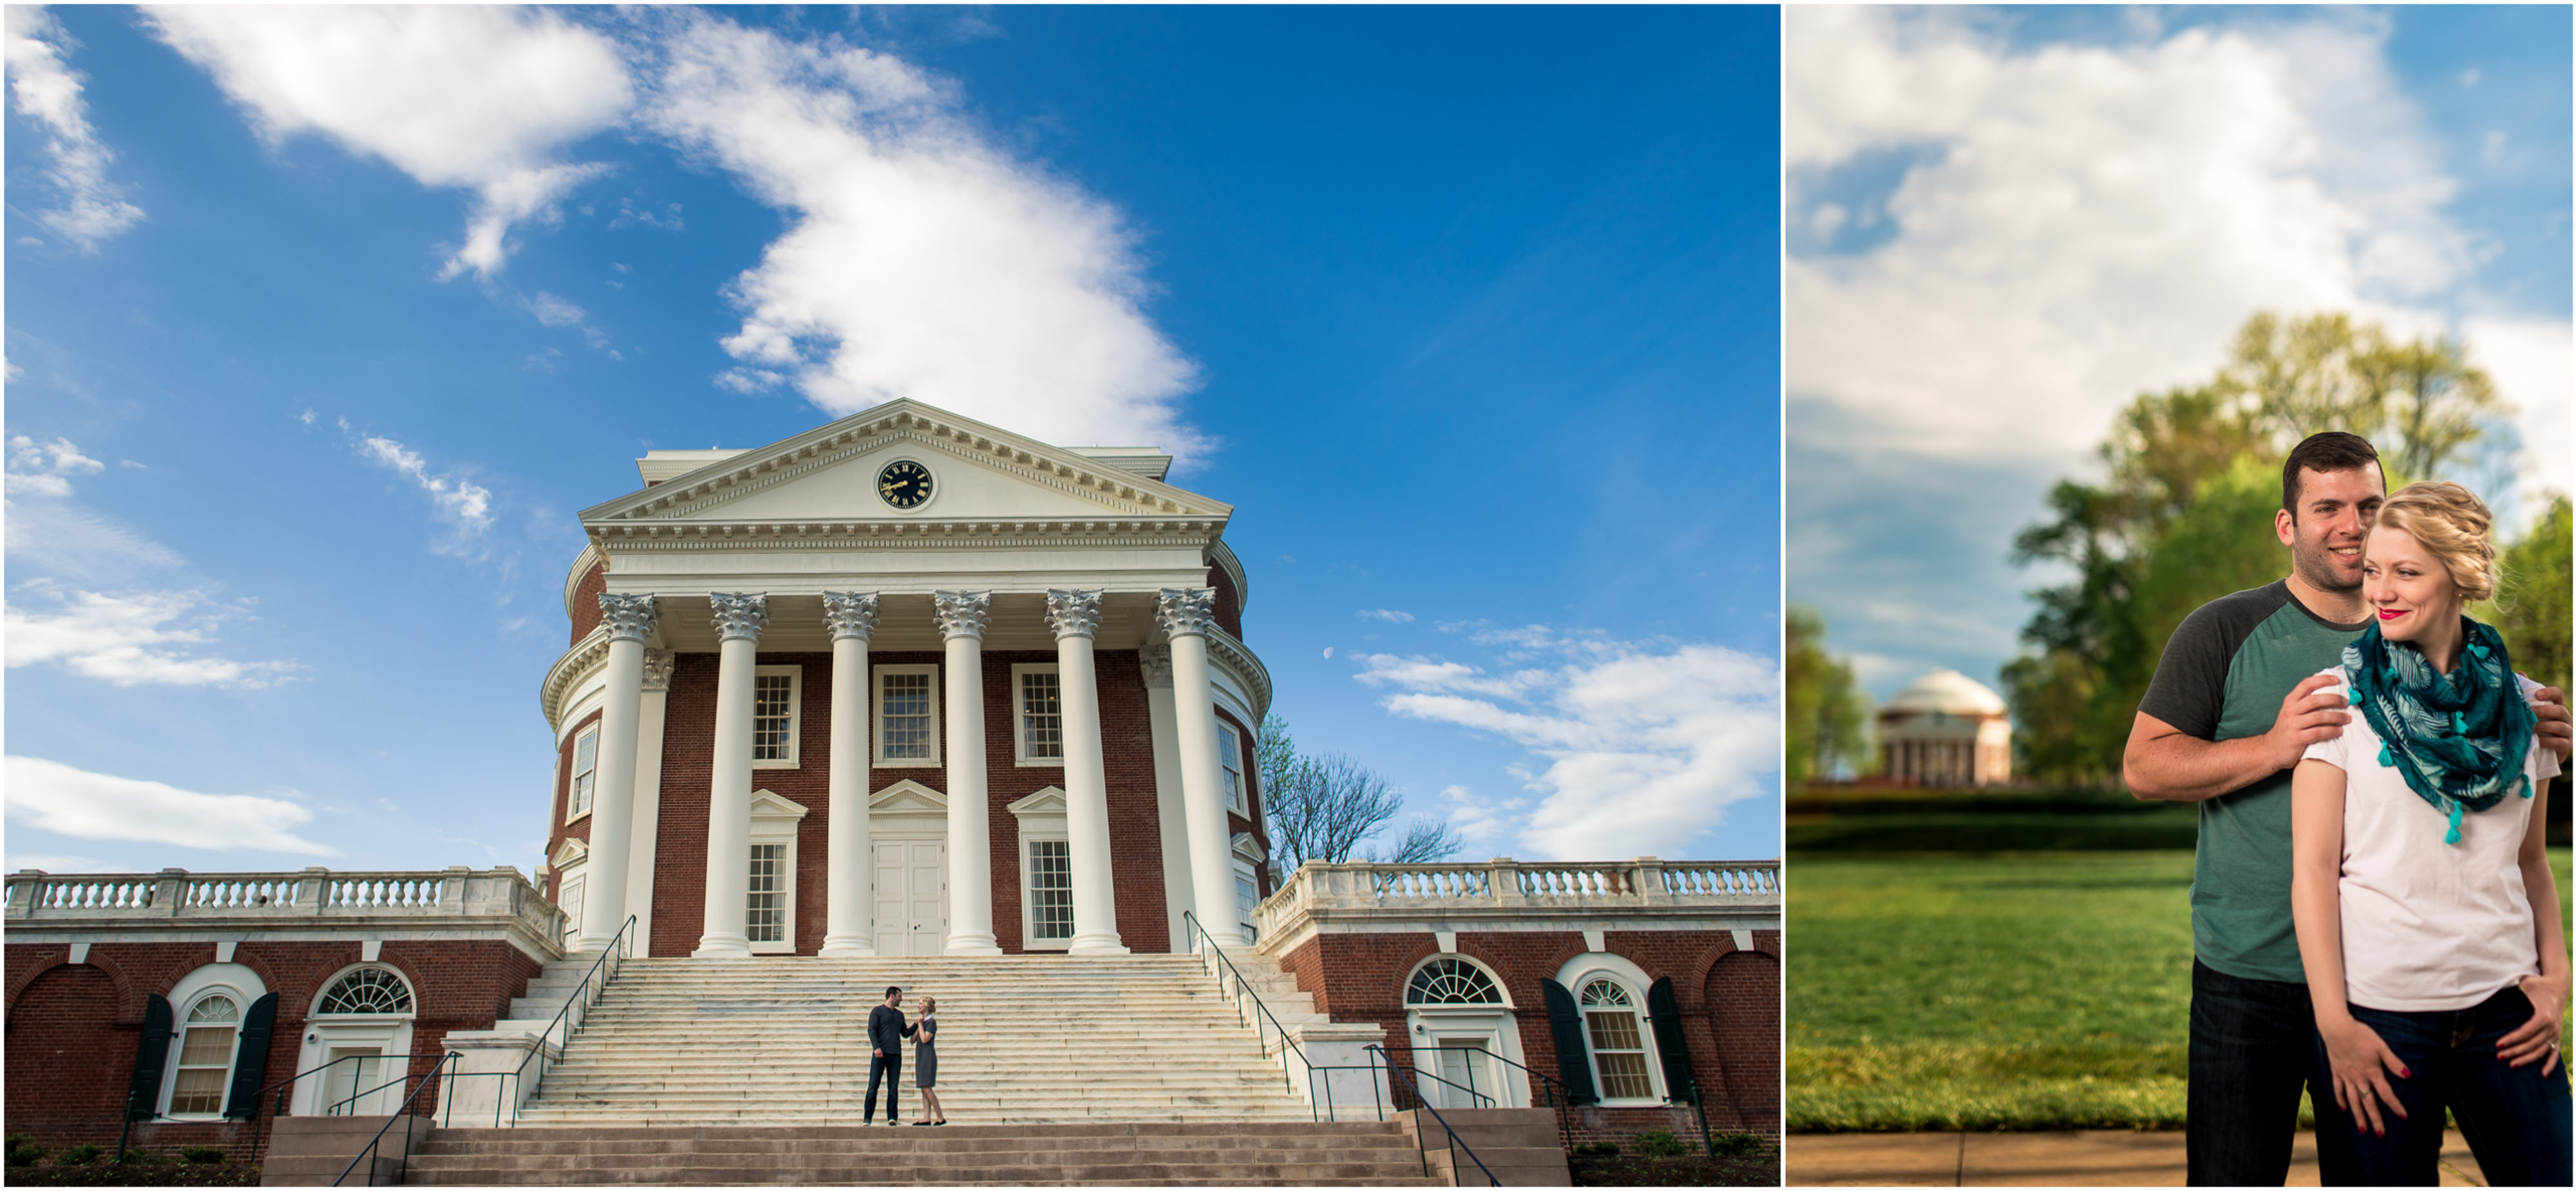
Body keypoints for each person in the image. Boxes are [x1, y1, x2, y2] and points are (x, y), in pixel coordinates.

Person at [2123, 431, 2572, 1186]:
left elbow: (2516, 838)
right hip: (2252, 974)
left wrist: (2533, 725)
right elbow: (2141, 766)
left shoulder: (2432, 639)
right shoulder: (2228, 632)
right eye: (2326, 506)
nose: (2351, 524)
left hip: (2393, 984)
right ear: (2286, 524)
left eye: (2368, 504)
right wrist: (2271, 746)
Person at [2289, 482, 2570, 1186]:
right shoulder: (2335, 701)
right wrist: (2334, 1025)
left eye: (2406, 571)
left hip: (2506, 1012)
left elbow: (2531, 860)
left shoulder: (2530, 709)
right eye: (2374, 569)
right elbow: (2314, 872)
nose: (2381, 590)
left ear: (2462, 574)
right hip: (2379, 1019)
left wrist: (2556, 975)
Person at [864, 985, 914, 1125]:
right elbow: (872, 1029)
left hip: (895, 1055)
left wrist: (917, 1024)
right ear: (892, 996)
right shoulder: (878, 1011)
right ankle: (867, 1117)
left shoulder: (900, 1015)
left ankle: (892, 1117)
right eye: (900, 996)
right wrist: (876, 1047)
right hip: (880, 1054)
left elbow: (905, 1033)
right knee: (873, 1085)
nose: (901, 1000)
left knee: (893, 1087)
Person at [911, 995, 946, 1125]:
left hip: (928, 1057)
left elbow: (925, 1039)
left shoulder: (931, 1022)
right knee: (923, 1088)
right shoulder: (924, 1022)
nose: (918, 1006)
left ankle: (940, 1116)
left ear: (926, 1006)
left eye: (920, 1004)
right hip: (921, 1056)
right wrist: (918, 1025)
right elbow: (913, 1039)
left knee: (927, 1088)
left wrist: (921, 1025)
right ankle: (926, 1117)